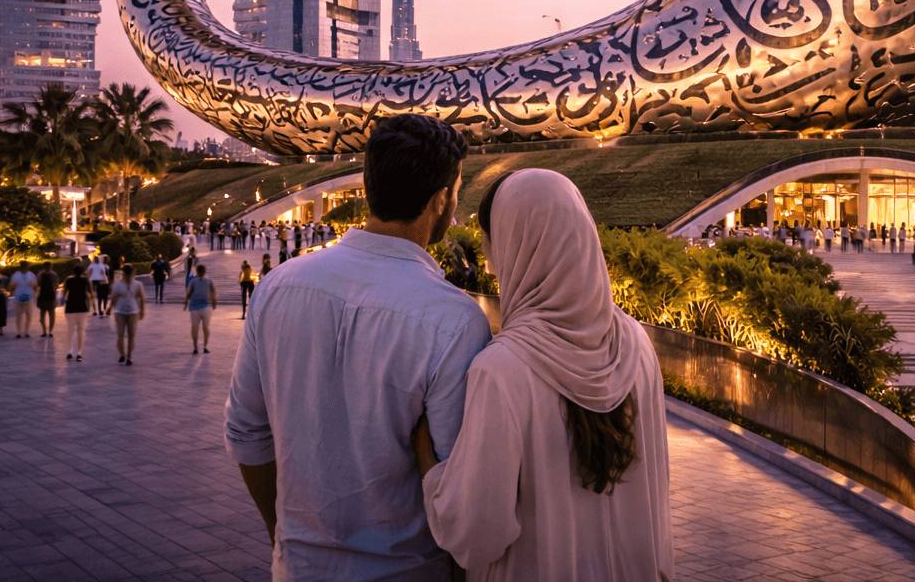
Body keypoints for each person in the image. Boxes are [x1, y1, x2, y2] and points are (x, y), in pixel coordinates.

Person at [225, 113, 492, 581]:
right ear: (440, 201)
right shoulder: (454, 319)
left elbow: (247, 432)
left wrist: (281, 533)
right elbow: (453, 478)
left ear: (370, 186)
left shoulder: (278, 286)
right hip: (407, 569)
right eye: (456, 191)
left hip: (298, 568)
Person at [417, 168, 674, 581]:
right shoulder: (636, 345)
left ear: (521, 245)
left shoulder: (504, 369)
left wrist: (426, 459)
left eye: (492, 240)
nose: (488, 258)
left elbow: (477, 532)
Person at [110, 263, 146, 366]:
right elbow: (113, 297)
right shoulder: (117, 284)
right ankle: (122, 355)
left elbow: (142, 298)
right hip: (120, 312)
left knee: (131, 335)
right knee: (120, 334)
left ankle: (129, 356)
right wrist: (111, 307)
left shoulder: (138, 284)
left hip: (133, 312)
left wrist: (142, 310)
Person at [187, 264, 218, 354]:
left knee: (195, 327)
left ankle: (196, 346)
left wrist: (186, 300)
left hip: (195, 307)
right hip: (205, 307)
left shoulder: (193, 281)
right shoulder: (208, 281)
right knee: (205, 327)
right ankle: (204, 346)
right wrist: (214, 302)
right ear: (204, 271)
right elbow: (213, 292)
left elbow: (189, 294)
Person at [62, 266, 91, 360]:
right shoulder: (86, 280)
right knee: (81, 330)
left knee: (70, 330)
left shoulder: (68, 280)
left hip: (70, 307)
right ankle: (79, 353)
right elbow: (91, 294)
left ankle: (69, 351)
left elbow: (64, 293)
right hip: (82, 306)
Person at [9, 260, 37, 338]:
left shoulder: (31, 275)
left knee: (28, 315)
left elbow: (35, 285)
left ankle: (26, 331)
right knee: (18, 316)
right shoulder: (16, 275)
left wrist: (34, 293)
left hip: (29, 297)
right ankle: (19, 332)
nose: (27, 267)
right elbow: (11, 285)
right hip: (18, 298)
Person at [35, 262, 60, 337]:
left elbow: (37, 284)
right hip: (50, 295)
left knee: (43, 314)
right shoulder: (54, 274)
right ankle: (50, 331)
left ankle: (44, 331)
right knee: (51, 314)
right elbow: (56, 285)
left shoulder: (40, 274)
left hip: (43, 295)